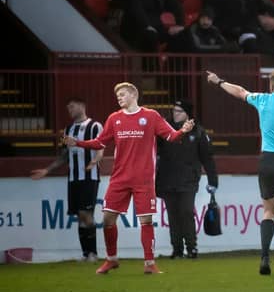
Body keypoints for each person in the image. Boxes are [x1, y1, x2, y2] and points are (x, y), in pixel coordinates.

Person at [64, 82, 195, 275]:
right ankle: (111, 259)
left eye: (123, 94)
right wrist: (78, 143)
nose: (119, 98)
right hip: (119, 178)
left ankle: (149, 263)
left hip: (143, 179)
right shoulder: (114, 118)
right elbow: (100, 142)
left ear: (134, 94)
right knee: (107, 219)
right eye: (117, 96)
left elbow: (170, 136)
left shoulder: (151, 116)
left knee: (146, 221)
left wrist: (183, 131)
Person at [206, 70, 274, 276]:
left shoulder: (262, 99)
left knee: (268, 212)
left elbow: (239, 92)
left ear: (271, 86)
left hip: (267, 161)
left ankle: (264, 257)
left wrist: (219, 81)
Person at [31, 98, 104, 262]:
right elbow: (64, 156)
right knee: (80, 215)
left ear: (82, 105)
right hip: (73, 179)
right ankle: (86, 254)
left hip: (89, 177)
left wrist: (95, 160)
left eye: (72, 106)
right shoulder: (68, 129)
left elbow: (100, 147)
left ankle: (93, 253)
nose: (69, 109)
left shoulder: (95, 126)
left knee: (87, 215)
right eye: (68, 107)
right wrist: (46, 170)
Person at [156, 100, 218, 259]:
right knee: (172, 215)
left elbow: (207, 159)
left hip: (188, 180)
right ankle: (176, 249)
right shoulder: (164, 129)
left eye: (179, 111)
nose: (175, 114)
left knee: (186, 212)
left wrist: (213, 181)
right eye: (174, 110)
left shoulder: (198, 132)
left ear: (187, 114)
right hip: (167, 179)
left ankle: (191, 247)